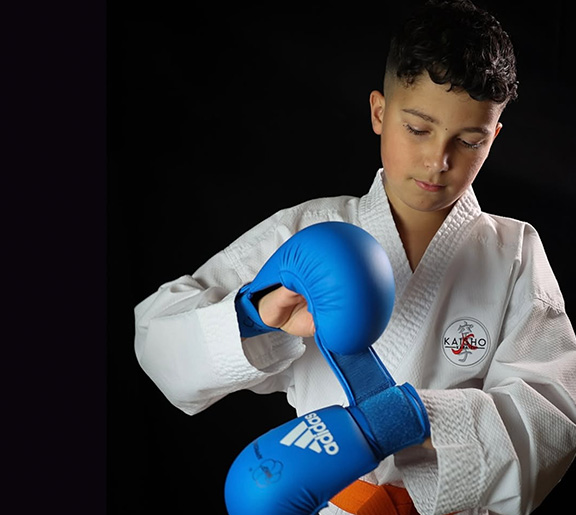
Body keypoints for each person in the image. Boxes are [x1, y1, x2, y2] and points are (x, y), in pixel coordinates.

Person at [133, 1, 576, 513]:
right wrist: (254, 315)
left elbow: (553, 417)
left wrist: (399, 422)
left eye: (469, 140)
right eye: (418, 129)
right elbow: (157, 340)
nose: (439, 160)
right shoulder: (307, 231)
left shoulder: (514, 253)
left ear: (493, 138)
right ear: (379, 113)